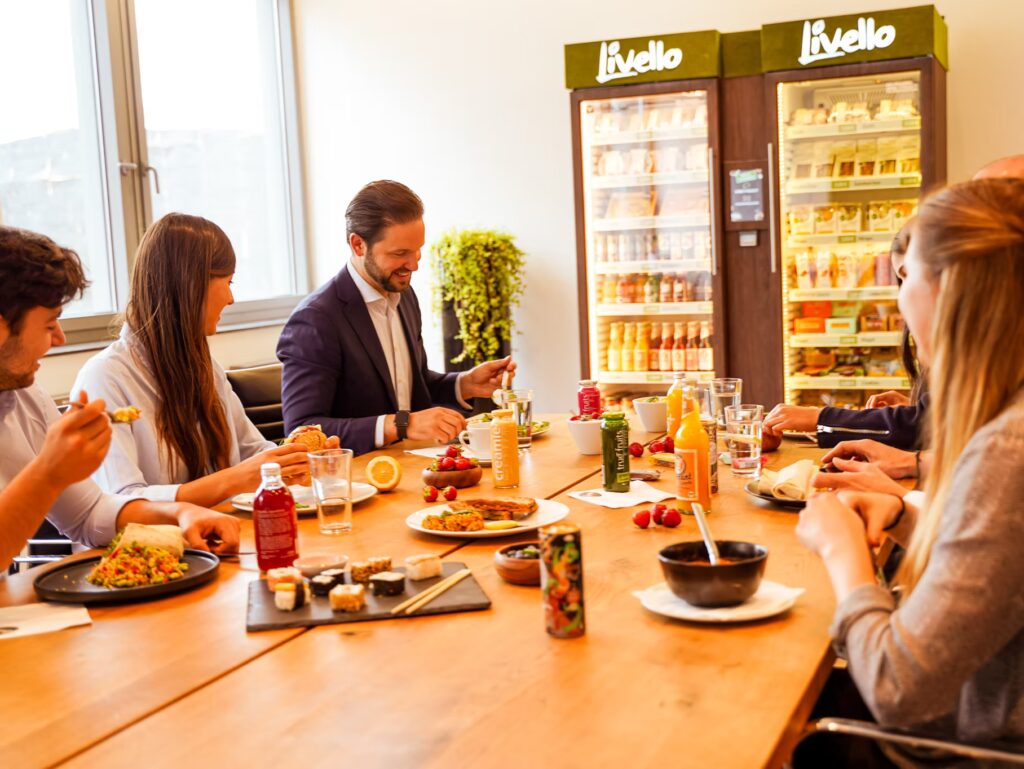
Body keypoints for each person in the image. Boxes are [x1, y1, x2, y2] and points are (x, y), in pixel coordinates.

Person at [796, 178, 1024, 764]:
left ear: (949, 289)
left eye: (906, 278)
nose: (900, 300)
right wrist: (903, 516)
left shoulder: (1008, 449)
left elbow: (900, 689)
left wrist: (843, 553)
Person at [0, 226, 239, 571]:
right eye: (49, 324)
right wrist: (49, 472)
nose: (60, 339)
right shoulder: (105, 374)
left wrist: (180, 512)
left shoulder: (25, 398)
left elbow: (89, 513)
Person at [73, 214, 334, 507]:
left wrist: (295, 455)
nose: (231, 298)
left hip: (223, 535)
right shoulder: (105, 377)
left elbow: (253, 452)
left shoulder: (203, 365)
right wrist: (233, 480)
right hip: (163, 548)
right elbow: (120, 502)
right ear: (191, 284)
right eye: (228, 281)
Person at [277, 180, 515, 456]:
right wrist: (401, 424)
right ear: (358, 245)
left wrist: (465, 383)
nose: (414, 264)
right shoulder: (316, 319)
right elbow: (301, 429)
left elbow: (409, 387)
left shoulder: (404, 295)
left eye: (417, 250)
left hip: (412, 466)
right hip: (358, 480)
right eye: (400, 253)